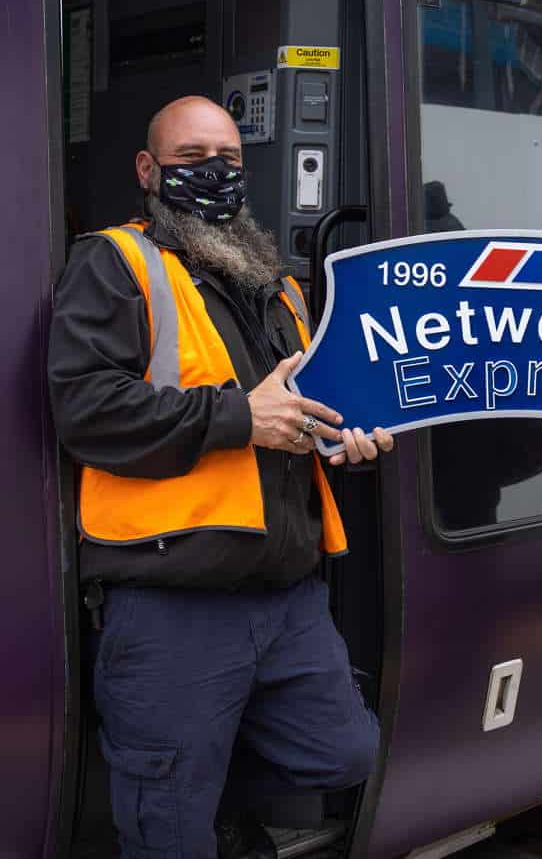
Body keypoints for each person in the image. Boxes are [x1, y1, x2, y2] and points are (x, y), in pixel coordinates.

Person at [48, 96, 395, 859]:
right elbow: (85, 409)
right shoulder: (114, 263)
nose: (215, 174)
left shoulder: (277, 286)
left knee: (347, 753)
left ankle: (223, 797)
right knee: (169, 830)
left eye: (230, 161)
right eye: (191, 159)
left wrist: (350, 441)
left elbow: (308, 414)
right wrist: (241, 417)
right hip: (173, 606)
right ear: (148, 169)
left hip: (287, 600)